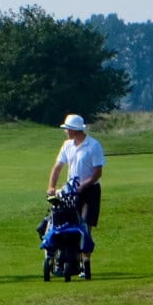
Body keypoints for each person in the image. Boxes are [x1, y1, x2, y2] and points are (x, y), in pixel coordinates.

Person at [46, 114, 104, 275]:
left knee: (85, 225)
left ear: (73, 130)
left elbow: (97, 173)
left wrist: (83, 186)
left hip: (90, 191)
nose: (65, 132)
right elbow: (58, 167)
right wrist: (51, 186)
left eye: (67, 129)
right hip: (71, 191)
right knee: (67, 224)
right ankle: (66, 259)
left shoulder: (93, 146)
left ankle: (85, 262)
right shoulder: (67, 145)